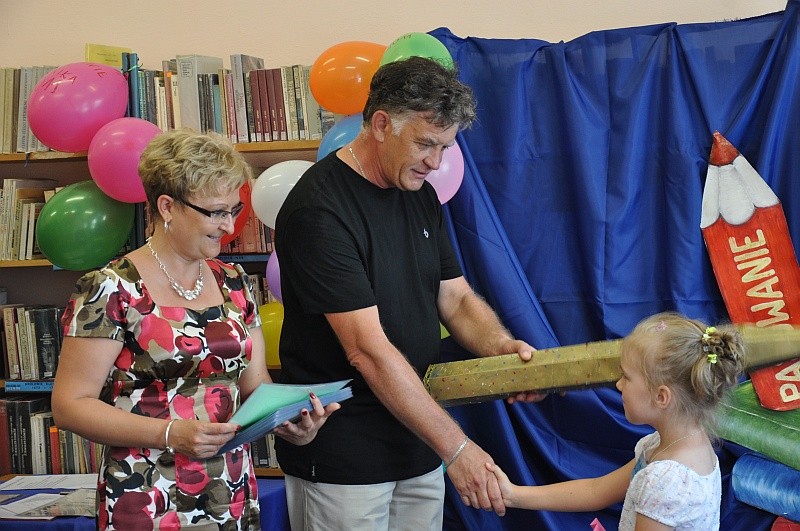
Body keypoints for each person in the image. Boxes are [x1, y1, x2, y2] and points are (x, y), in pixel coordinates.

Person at [273, 55, 540, 530]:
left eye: (446, 147)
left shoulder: (419, 193)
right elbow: (368, 352)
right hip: (346, 455)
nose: (436, 163)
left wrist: (500, 350)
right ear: (380, 124)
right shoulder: (320, 210)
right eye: (425, 144)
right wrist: (457, 447)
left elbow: (455, 298)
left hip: (419, 438)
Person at [51, 129, 341, 530]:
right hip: (146, 491)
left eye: (235, 210)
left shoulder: (234, 281)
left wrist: (291, 424)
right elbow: (70, 405)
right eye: (216, 212)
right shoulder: (111, 287)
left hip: (229, 487)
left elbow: (255, 386)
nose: (228, 226)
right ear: (167, 206)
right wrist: (170, 433)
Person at [486, 312, 746, 530]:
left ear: (661, 396)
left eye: (627, 377)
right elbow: (596, 490)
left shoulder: (666, 481)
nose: (619, 385)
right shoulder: (672, 446)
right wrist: (513, 494)